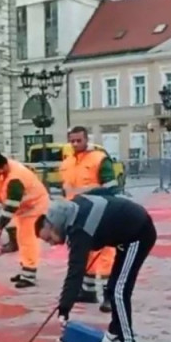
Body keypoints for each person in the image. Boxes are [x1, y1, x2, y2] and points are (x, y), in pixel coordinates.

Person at [36, 191, 157, 342]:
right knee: (113, 286)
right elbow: (102, 196)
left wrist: (64, 308)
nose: (52, 243)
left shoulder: (80, 230)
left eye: (49, 238)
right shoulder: (74, 207)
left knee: (119, 290)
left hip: (138, 234)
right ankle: (115, 333)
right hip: (126, 234)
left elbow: (75, 271)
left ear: (54, 225)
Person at [58, 127, 118, 312]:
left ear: (86, 139)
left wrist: (89, 192)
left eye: (79, 140)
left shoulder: (99, 159)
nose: (75, 144)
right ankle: (89, 291)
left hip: (100, 210)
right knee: (85, 251)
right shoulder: (67, 163)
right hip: (77, 214)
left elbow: (112, 186)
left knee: (105, 253)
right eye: (72, 141)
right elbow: (66, 189)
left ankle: (109, 296)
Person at [0, 150, 50, 288]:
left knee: (28, 240)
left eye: (0, 170)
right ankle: (24, 270)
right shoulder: (9, 167)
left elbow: (10, 206)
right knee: (22, 239)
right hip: (25, 209)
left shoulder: (16, 179)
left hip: (35, 207)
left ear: (4, 165)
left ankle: (29, 274)